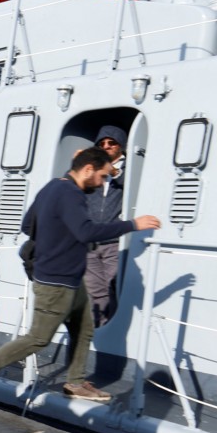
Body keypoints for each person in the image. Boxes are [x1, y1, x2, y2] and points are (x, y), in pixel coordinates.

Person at [0, 147, 161, 403]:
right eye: (101, 176)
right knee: (38, 338)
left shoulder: (53, 187)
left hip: (71, 279)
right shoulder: (71, 195)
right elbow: (86, 232)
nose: (101, 184)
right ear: (88, 170)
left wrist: (55, 240)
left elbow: (27, 224)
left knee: (84, 327)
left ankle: (76, 382)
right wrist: (133, 225)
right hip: (56, 281)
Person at [84, 124, 128, 326]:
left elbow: (131, 182)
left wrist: (115, 172)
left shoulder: (130, 167)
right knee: (94, 289)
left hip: (114, 241)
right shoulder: (93, 169)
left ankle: (114, 330)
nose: (107, 146)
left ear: (121, 146)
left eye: (112, 142)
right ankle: (100, 329)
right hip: (92, 240)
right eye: (102, 143)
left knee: (113, 286)